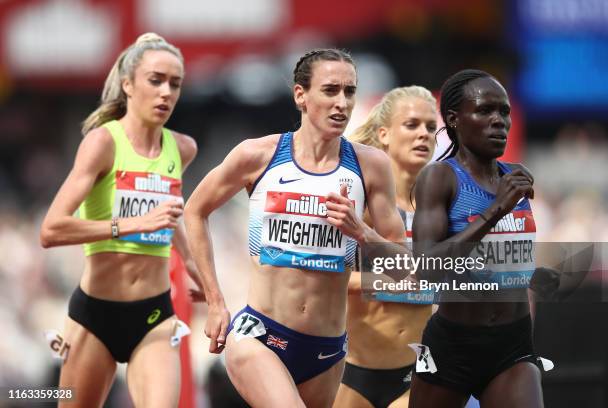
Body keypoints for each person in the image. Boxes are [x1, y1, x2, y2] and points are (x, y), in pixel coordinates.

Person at [184, 48, 406, 408]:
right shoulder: (258, 156)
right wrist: (214, 301)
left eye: (349, 91)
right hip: (259, 335)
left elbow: (404, 271)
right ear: (300, 95)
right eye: (330, 90)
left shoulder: (371, 167)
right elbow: (195, 210)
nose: (342, 103)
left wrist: (363, 234)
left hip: (326, 349)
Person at [39, 33, 203, 407]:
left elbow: (170, 212)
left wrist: (198, 270)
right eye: (156, 80)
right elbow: (50, 230)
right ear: (128, 84)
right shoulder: (102, 143)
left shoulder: (182, 148)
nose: (166, 93)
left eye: (175, 84)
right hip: (94, 315)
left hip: (155, 314)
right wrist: (131, 224)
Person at [408, 69, 545, 408]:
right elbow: (425, 268)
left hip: (512, 343)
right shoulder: (439, 178)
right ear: (454, 119)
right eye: (485, 111)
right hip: (454, 345)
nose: (499, 121)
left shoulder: (515, 176)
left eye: (504, 112)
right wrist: (494, 211)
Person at [333, 86, 438, 408]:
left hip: (418, 371)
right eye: (412, 125)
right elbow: (328, 278)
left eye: (431, 128)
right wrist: (390, 282)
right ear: (384, 133)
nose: (423, 134)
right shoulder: (360, 202)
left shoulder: (443, 209)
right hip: (351, 370)